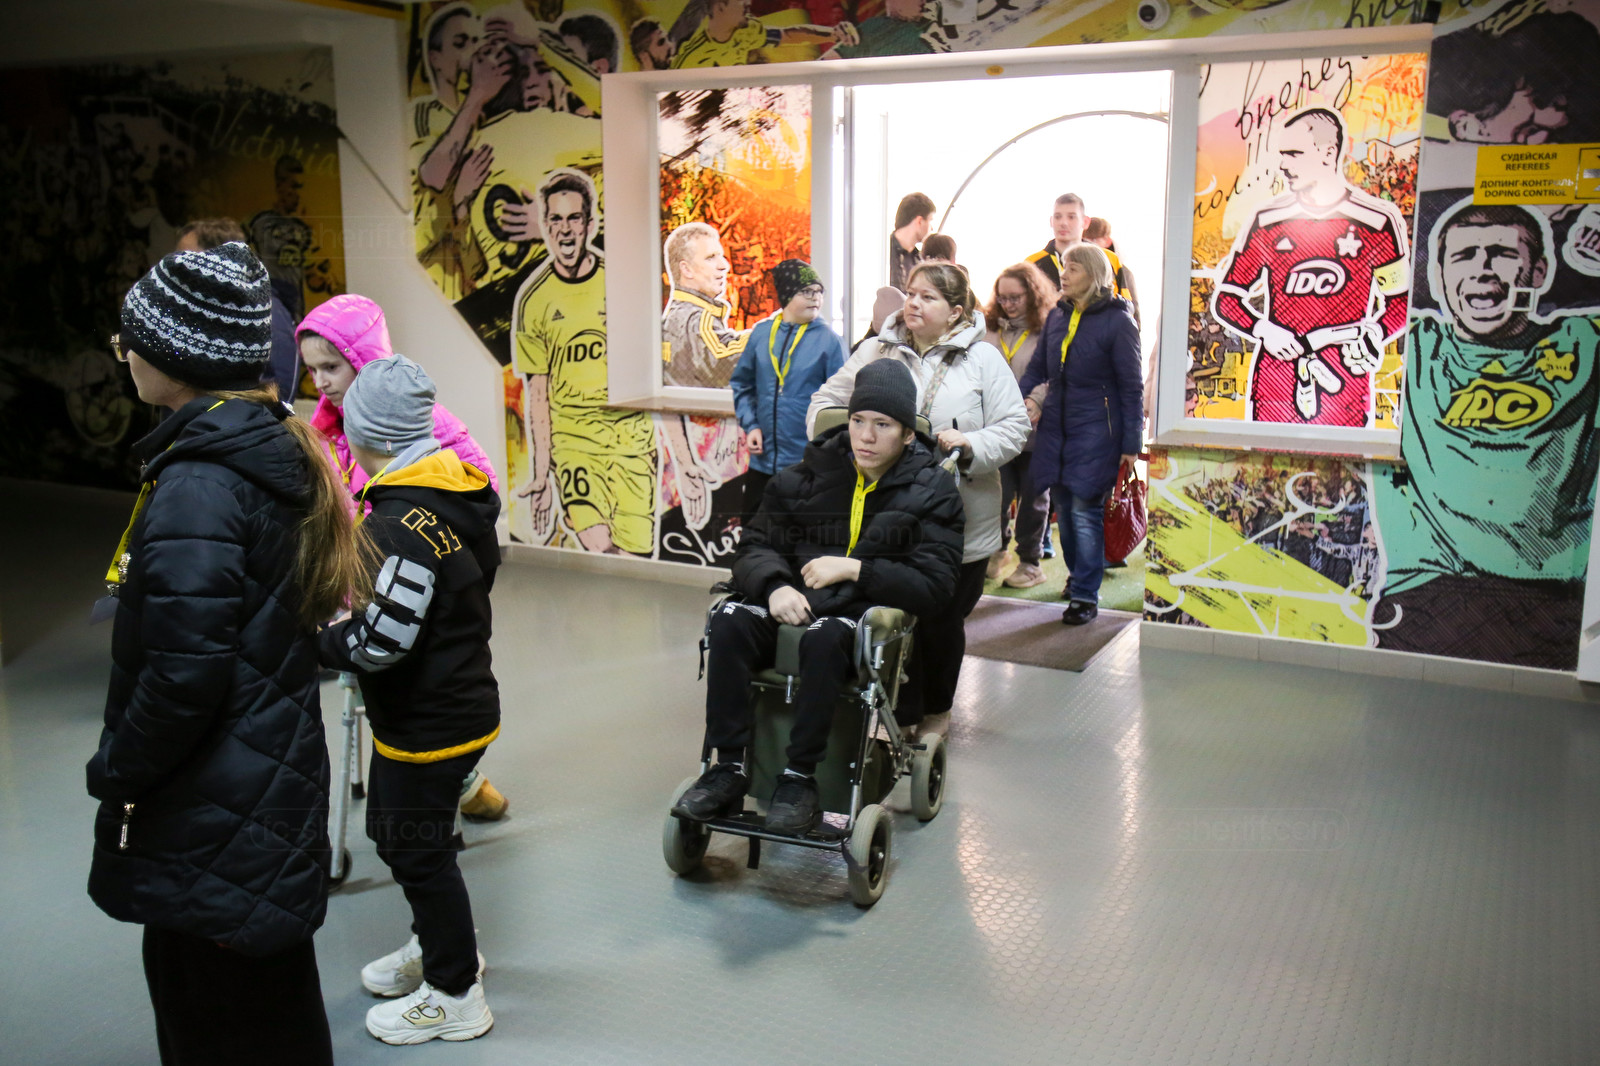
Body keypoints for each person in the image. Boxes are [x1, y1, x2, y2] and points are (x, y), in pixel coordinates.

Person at [88, 241, 369, 1065]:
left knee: (215, 1019)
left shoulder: (199, 485)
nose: (123, 354)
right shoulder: (264, 449)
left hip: (210, 810)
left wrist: (117, 769)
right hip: (259, 785)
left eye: (130, 340)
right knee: (272, 1004)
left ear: (177, 359)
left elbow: (183, 676)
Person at [674, 360, 965, 833]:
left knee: (826, 637)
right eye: (857, 421)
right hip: (792, 602)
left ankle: (799, 778)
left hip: (857, 619)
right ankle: (728, 767)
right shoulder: (804, 476)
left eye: (883, 425)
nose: (865, 436)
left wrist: (857, 569)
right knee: (728, 619)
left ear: (908, 434)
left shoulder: (933, 492)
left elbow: (936, 585)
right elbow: (754, 547)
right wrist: (774, 586)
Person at [319, 356, 502, 1044]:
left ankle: (455, 992)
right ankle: (441, 945)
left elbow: (381, 642)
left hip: (429, 721)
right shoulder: (454, 495)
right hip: (457, 702)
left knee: (414, 848)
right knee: (410, 836)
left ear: (366, 436)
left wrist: (321, 644)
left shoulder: (395, 523)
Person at [1375, 200, 1600, 669]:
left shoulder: (1583, 342)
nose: (1482, 269)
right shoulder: (1416, 347)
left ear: (1538, 272)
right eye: (1464, 256)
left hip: (1553, 593)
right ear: (1439, 276)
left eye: (1502, 253)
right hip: (1434, 587)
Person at [809, 262, 1030, 729]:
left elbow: (1015, 427)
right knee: (889, 617)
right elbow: (825, 404)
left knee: (940, 623)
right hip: (884, 519)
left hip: (961, 517)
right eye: (911, 293)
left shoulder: (983, 359)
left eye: (928, 297)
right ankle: (897, 715)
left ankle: (935, 713)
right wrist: (846, 445)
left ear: (955, 312)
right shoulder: (877, 349)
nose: (913, 303)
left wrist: (972, 445)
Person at [1210, 108, 1410, 427]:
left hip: (1344, 387)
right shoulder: (1267, 220)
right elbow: (1227, 299)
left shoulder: (1377, 222)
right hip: (1275, 386)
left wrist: (1376, 332)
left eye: (1294, 154)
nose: (1283, 165)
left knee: (1340, 463)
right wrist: (1264, 329)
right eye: (1282, 154)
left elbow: (1401, 302)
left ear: (1328, 153)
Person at [514, 169, 661, 555]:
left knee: (634, 559)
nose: (565, 229)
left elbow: (653, 366)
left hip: (631, 442)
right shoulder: (534, 301)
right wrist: (542, 473)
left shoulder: (621, 284)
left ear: (590, 225)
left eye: (574, 218)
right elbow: (538, 394)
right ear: (546, 226)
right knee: (598, 546)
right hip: (573, 443)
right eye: (556, 219)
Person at [1019, 243, 1143, 624]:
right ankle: (1078, 578)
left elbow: (1132, 387)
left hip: (1098, 431)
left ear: (1094, 274)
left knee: (1084, 511)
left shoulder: (1119, 322)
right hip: (1057, 428)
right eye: (1064, 267)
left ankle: (1086, 594)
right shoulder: (1057, 316)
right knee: (1066, 513)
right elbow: (1038, 367)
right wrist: (1022, 399)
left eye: (1073, 268)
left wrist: (1131, 444)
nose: (1063, 274)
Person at [297, 293, 499, 499]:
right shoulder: (326, 427)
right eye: (312, 370)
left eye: (330, 367)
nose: (320, 383)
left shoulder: (421, 420)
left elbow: (481, 493)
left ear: (364, 361)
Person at [729, 258, 848, 523]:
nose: (815, 298)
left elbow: (841, 405)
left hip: (807, 465)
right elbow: (743, 385)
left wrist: (825, 455)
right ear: (786, 295)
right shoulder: (761, 335)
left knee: (798, 539)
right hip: (762, 463)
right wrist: (752, 426)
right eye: (806, 291)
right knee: (753, 532)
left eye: (819, 291)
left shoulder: (830, 342)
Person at [984, 262, 1056, 588]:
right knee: (996, 495)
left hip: (1036, 431)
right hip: (996, 429)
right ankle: (997, 550)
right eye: (1003, 298)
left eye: (1016, 298)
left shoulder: (1047, 330)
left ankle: (1030, 562)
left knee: (1033, 498)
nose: (1008, 304)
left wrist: (1037, 399)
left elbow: (1055, 374)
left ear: (1033, 294)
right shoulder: (989, 330)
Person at [174, 217, 298, 400]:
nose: (176, 267)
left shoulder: (266, 314)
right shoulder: (202, 311)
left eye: (186, 258)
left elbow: (279, 394)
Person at [662, 220, 744, 388]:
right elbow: (726, 360)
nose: (724, 265)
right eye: (710, 258)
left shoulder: (676, 315)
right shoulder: (696, 320)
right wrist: (778, 329)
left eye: (721, 256)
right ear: (686, 269)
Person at [670, 0, 856, 68]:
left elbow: (788, 35)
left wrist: (833, 34)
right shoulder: (694, 58)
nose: (747, 3)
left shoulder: (747, 31)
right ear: (720, 8)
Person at [1025, 193, 1127, 299]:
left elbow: (1126, 304)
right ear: (1051, 221)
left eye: (1071, 217)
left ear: (1085, 222)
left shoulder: (1109, 259)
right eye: (1057, 217)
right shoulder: (1031, 264)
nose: (1063, 223)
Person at [1084, 216, 1140, 327]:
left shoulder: (1123, 271)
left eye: (1094, 240)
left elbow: (1134, 311)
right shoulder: (1075, 267)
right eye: (1085, 239)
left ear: (1107, 241)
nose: (1088, 244)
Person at [889, 192, 934, 290]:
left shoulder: (919, 260)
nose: (932, 228)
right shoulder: (883, 253)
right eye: (930, 220)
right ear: (919, 221)